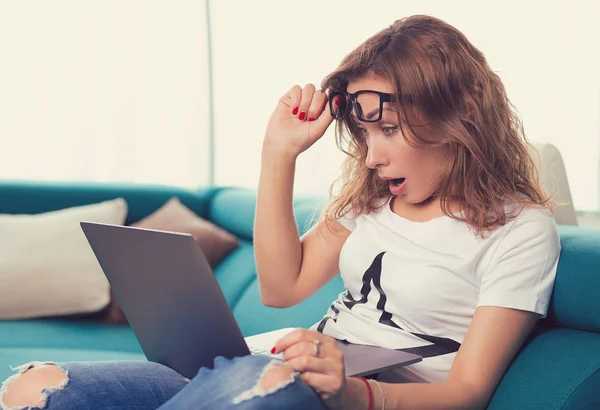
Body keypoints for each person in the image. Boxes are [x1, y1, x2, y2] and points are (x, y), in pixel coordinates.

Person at [0, 14, 560, 410]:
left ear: (458, 116)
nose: (372, 154)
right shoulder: (372, 200)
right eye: (364, 133)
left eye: (388, 129)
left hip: (331, 392)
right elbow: (280, 286)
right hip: (272, 366)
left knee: (259, 385)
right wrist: (279, 153)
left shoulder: (520, 230)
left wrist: (353, 395)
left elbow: (468, 393)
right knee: (34, 387)